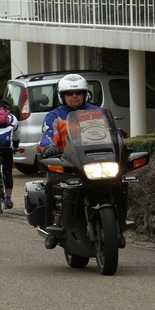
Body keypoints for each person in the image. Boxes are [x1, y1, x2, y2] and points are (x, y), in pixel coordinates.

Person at [37, 73, 106, 249]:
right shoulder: (54, 116)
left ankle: (116, 223)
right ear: (62, 96)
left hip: (92, 160)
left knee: (118, 180)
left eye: (78, 93)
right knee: (52, 184)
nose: (74, 96)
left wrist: (120, 137)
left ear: (85, 94)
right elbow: (46, 135)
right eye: (69, 93)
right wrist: (49, 146)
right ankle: (50, 228)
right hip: (66, 161)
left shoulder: (97, 112)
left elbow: (112, 131)